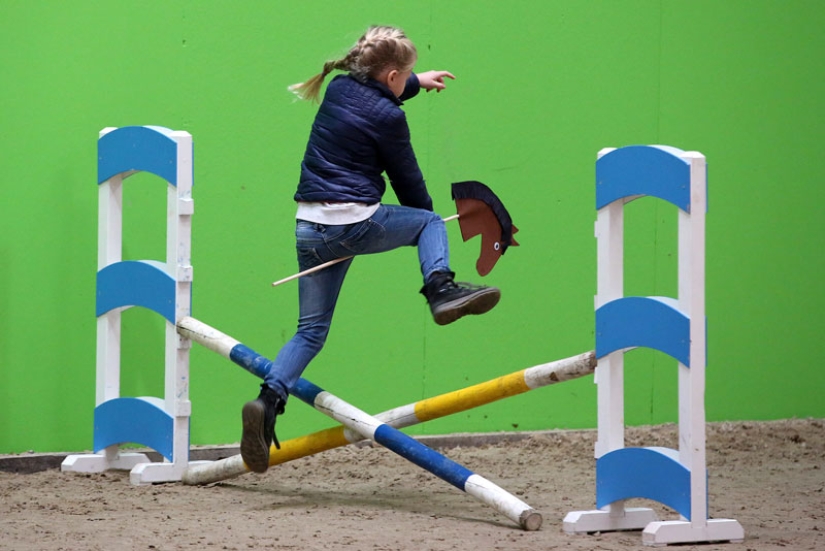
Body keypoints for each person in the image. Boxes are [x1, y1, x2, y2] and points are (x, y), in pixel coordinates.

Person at [240, 25, 501, 473]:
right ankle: (441, 288)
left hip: (308, 226)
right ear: (392, 75)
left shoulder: (341, 88)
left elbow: (376, 99)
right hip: (351, 222)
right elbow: (406, 178)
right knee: (429, 222)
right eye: (409, 74)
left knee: (310, 331)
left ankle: (269, 400)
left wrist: (418, 82)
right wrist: (428, 226)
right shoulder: (390, 118)